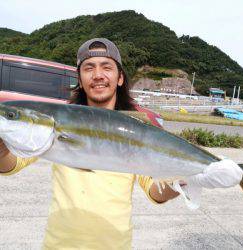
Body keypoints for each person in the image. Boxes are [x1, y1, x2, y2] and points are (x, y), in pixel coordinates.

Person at [0, 38, 180, 250]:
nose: (98, 75)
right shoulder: (58, 120)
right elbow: (11, 164)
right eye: (89, 68)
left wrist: (184, 183)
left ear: (120, 77)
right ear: (80, 78)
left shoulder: (133, 129)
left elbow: (154, 190)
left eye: (107, 67)